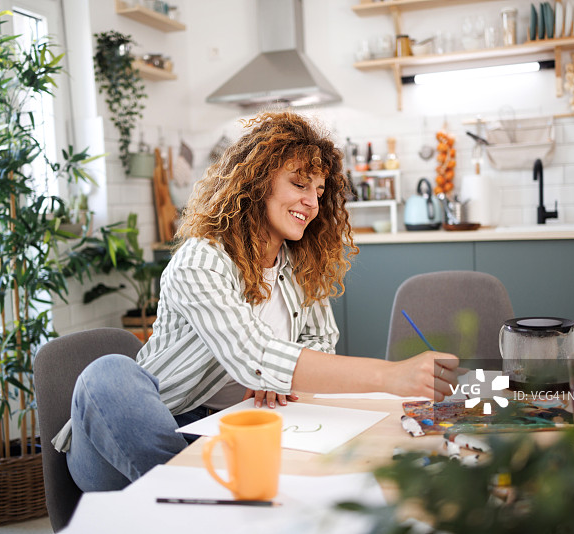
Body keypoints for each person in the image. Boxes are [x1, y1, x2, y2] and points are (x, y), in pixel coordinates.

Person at [59, 110, 459, 492]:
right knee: (108, 372)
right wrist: (391, 376)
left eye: (319, 191)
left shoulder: (299, 264)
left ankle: (202, 495)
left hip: (237, 428)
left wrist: (278, 382)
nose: (313, 203)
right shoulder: (202, 258)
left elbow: (319, 343)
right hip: (144, 432)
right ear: (256, 182)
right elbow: (255, 357)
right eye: (300, 185)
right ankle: (196, 497)